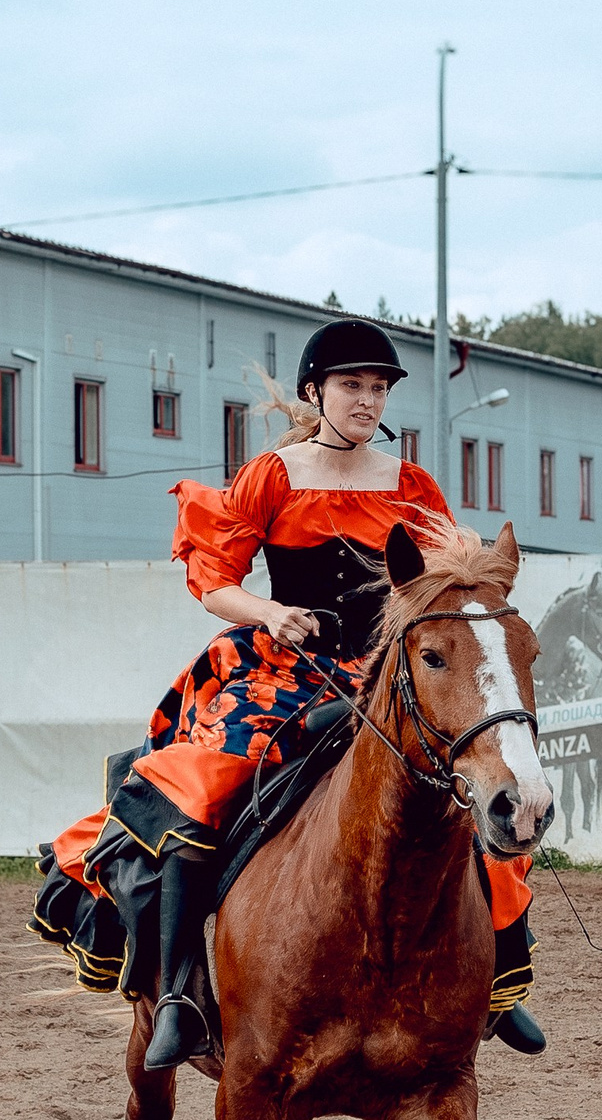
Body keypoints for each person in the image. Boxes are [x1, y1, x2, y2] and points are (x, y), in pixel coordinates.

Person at [32, 316, 541, 1068]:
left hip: (383, 676)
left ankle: (500, 980)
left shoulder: (411, 484)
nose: (367, 401)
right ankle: (177, 994)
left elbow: (444, 587)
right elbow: (214, 582)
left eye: (378, 388)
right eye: (351, 386)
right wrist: (271, 612)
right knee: (202, 788)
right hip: (281, 669)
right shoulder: (273, 474)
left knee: (474, 777)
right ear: (316, 391)